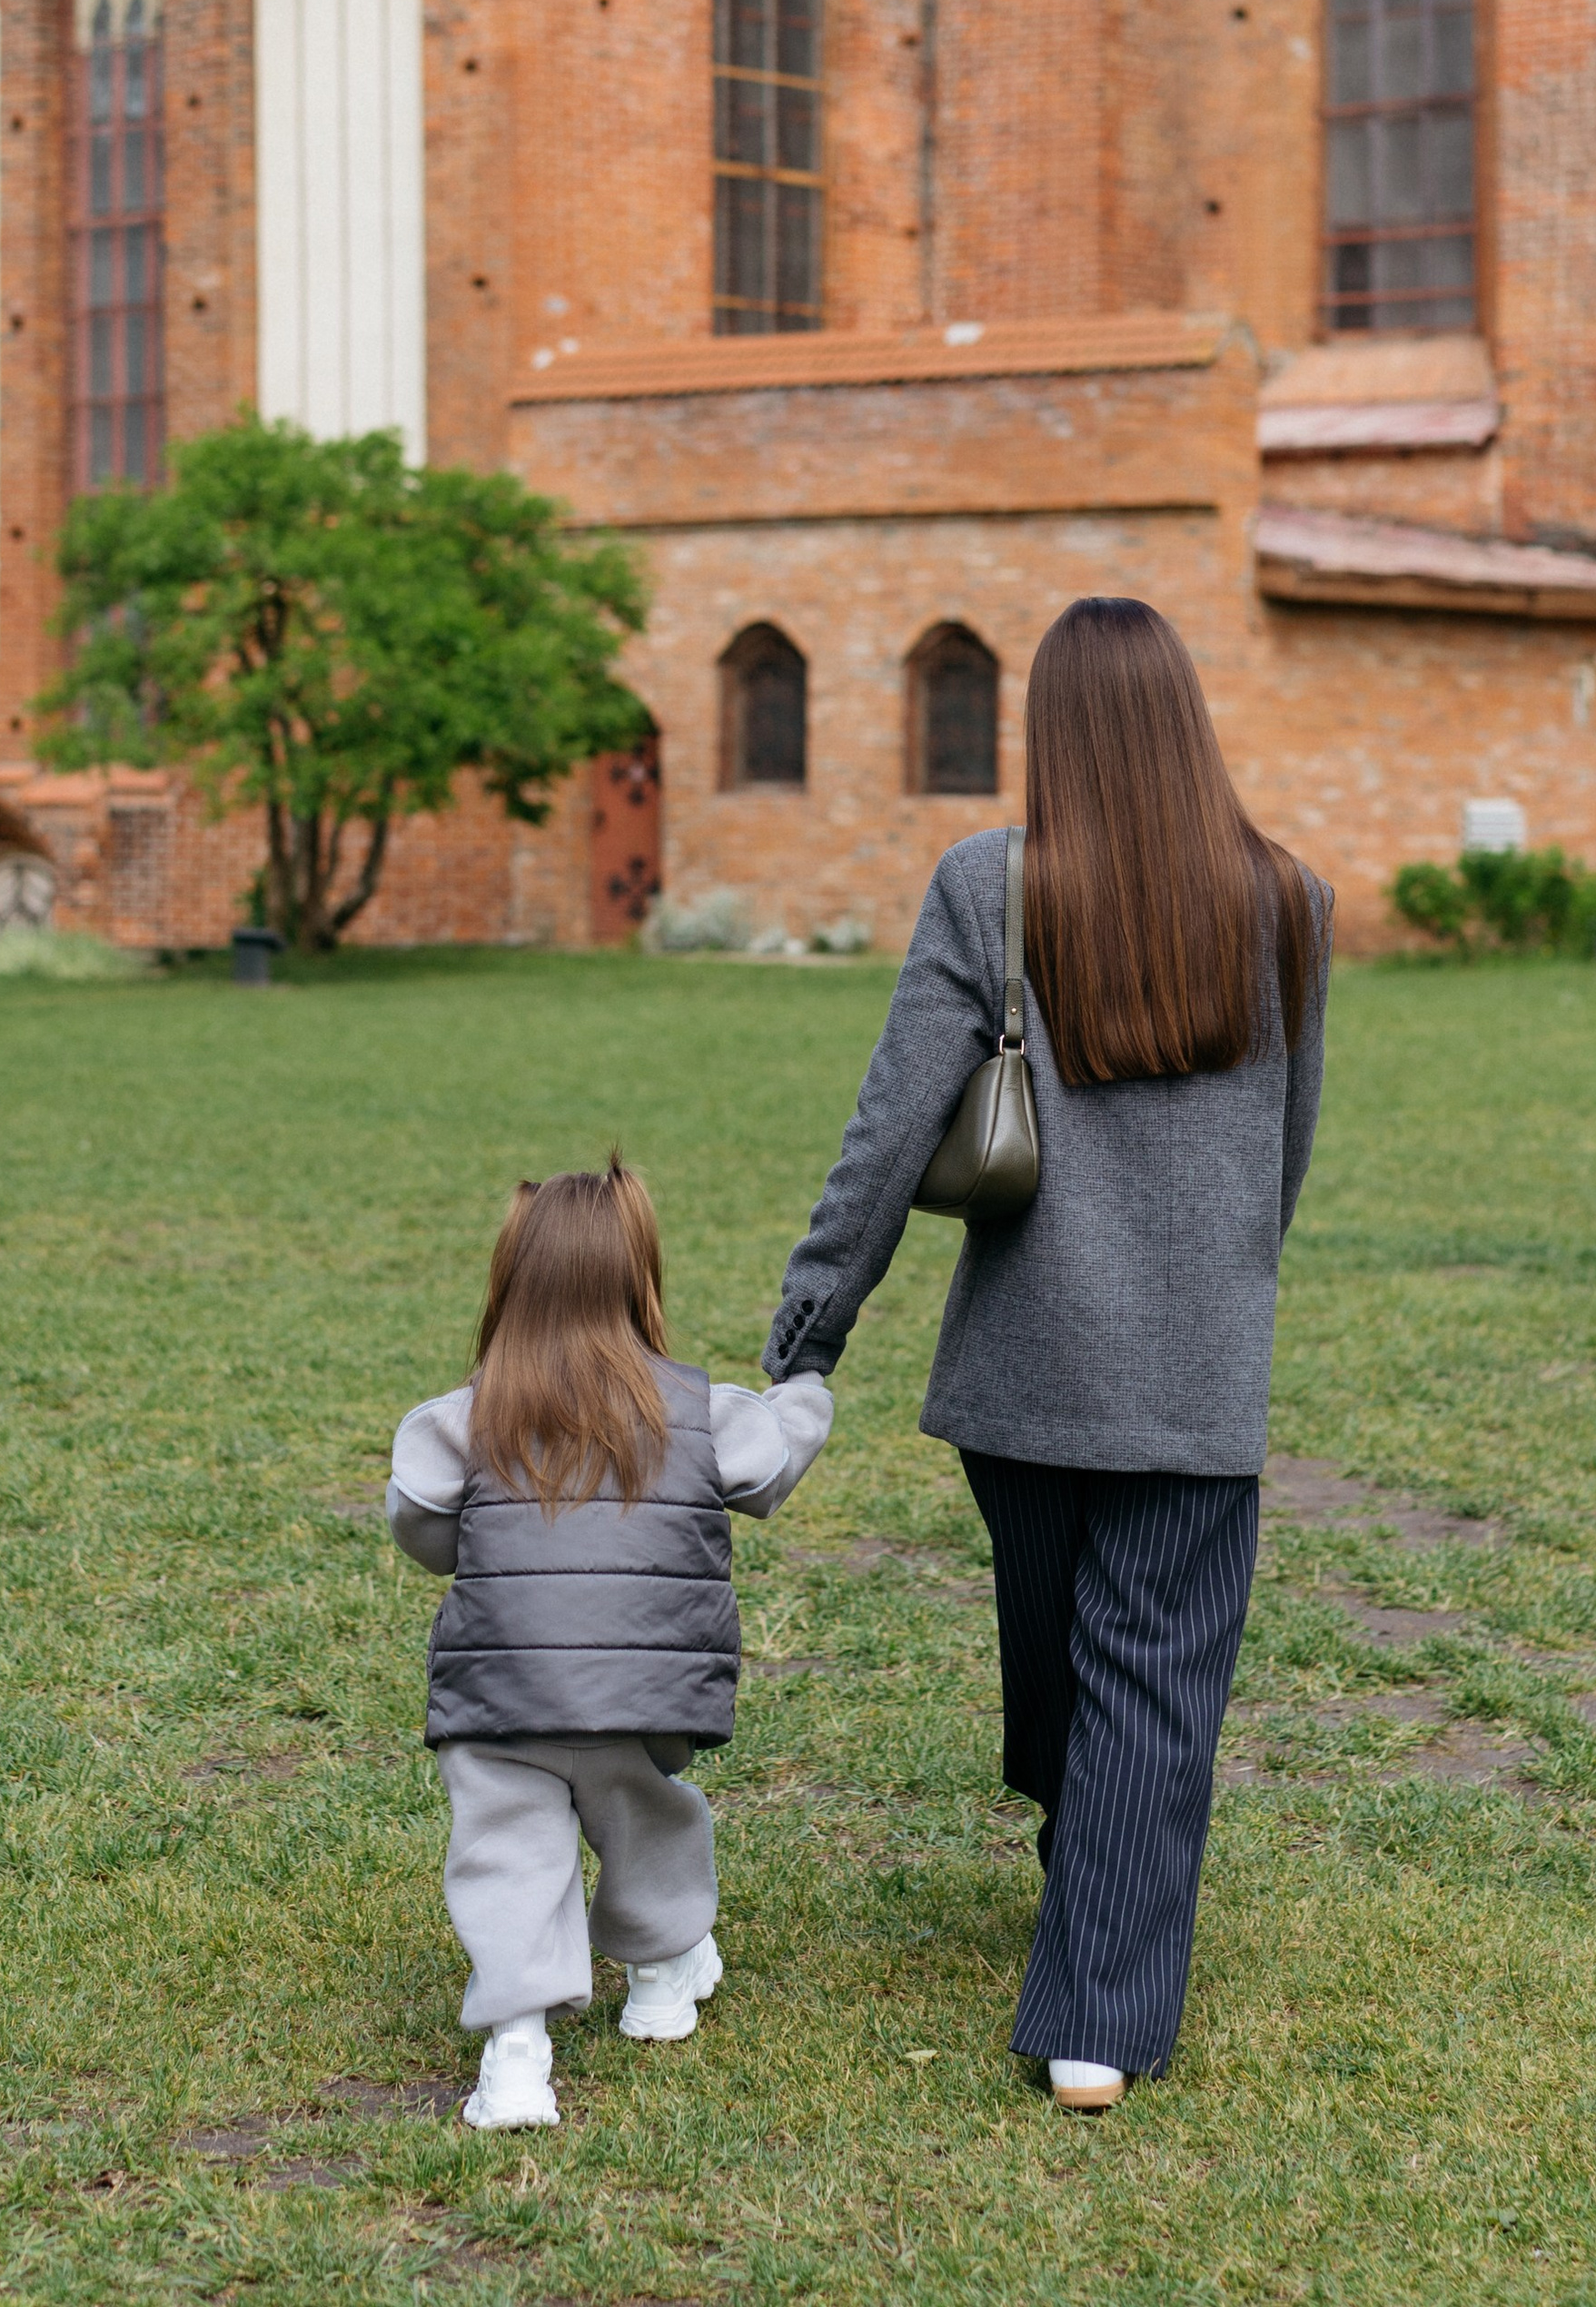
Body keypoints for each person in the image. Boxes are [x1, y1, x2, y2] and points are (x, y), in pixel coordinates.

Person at [764, 596, 1329, 2111]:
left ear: (1050, 733)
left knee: (1097, 1659)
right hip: (1193, 1369)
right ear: (1188, 723)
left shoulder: (990, 884)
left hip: (1022, 1377)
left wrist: (809, 1331)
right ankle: (1104, 1922)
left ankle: (1094, 2005)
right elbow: (1285, 1152)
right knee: (1134, 1671)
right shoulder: (1288, 898)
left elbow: (890, 1131)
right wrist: (1221, 1295)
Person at [390, 1157, 831, 2131]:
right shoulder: (700, 1413)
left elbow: (423, 1531)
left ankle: (516, 2054)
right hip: (644, 1692)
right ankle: (662, 1979)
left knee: (508, 1852)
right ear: (641, 1281)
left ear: (510, 1285)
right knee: (646, 1818)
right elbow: (773, 1464)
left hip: (502, 1694)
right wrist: (805, 1387)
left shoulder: (463, 1420)